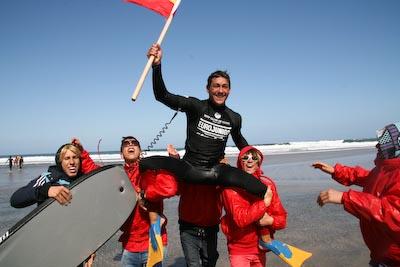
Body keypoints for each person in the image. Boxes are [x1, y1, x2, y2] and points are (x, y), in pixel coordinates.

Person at [139, 44, 267, 200]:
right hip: (188, 169)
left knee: (261, 189)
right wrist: (156, 66)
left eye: (224, 87)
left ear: (229, 90)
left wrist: (252, 157)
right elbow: (162, 95)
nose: (220, 90)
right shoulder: (196, 106)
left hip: (216, 172)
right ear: (208, 88)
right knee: (143, 164)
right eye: (216, 86)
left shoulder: (234, 117)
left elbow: (240, 140)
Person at [80, 136, 177, 267]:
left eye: (134, 143)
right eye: (126, 144)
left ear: (140, 150)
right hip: (129, 244)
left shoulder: (150, 170)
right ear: (121, 153)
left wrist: (172, 162)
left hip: (153, 239)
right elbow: (95, 172)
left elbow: (169, 188)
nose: (130, 145)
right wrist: (82, 153)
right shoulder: (117, 175)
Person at [312, 122, 400, 267]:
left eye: (384, 142)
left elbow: (393, 213)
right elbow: (366, 177)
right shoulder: (386, 169)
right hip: (381, 253)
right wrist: (336, 171)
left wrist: (345, 197)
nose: (377, 146)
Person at [9, 139, 98, 267]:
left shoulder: (85, 181)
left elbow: (89, 218)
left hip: (75, 249)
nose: (72, 162)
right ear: (60, 162)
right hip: (48, 248)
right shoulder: (48, 178)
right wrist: (46, 190)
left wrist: (90, 249)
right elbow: (15, 200)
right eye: (67, 158)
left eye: (75, 157)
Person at [221, 146, 287, 267]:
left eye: (254, 158)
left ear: (259, 162)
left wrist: (270, 220)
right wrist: (264, 204)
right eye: (245, 158)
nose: (250, 160)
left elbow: (282, 220)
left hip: (261, 248)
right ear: (240, 162)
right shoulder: (230, 188)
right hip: (239, 249)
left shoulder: (268, 186)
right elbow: (240, 219)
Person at [167, 144, 223, 267]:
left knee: (210, 262)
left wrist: (223, 166)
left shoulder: (219, 170)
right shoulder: (186, 169)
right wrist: (175, 162)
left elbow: (226, 192)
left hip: (211, 228)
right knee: (193, 264)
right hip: (188, 228)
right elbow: (176, 190)